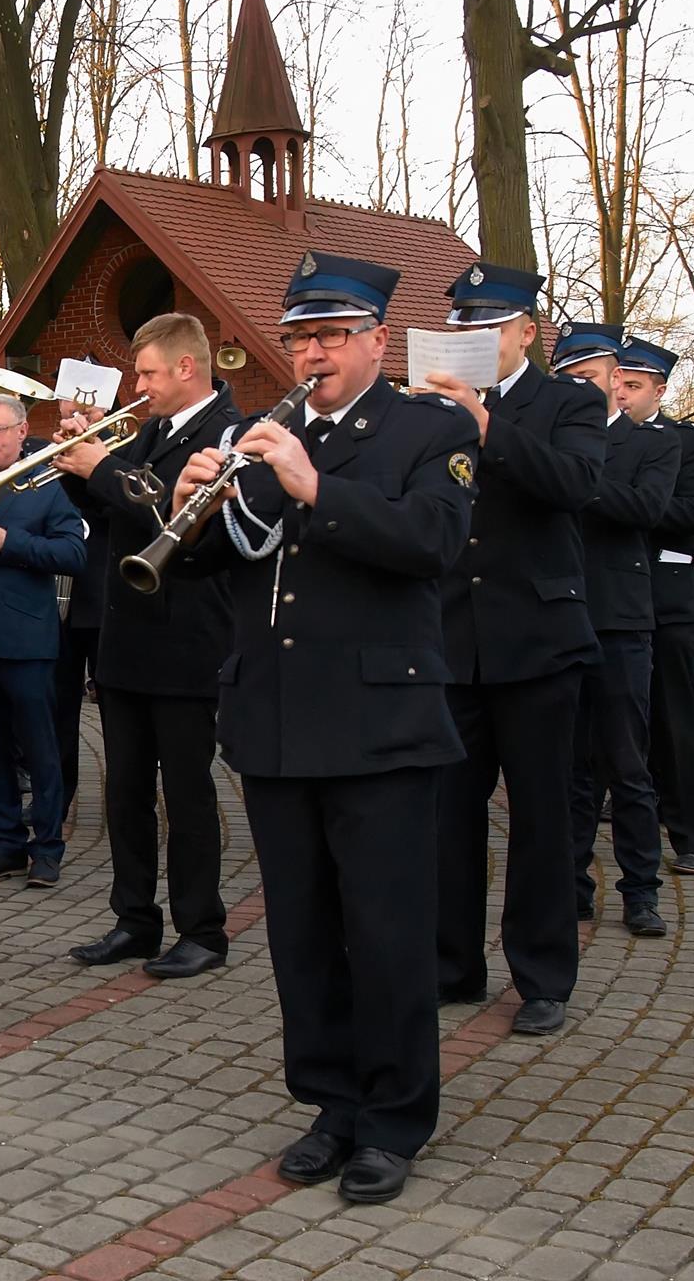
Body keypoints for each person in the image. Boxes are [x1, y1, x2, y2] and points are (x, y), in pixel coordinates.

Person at [172, 251, 477, 1203]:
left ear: (376, 340)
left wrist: (312, 486)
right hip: (274, 720)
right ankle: (331, 1102)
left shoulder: (427, 429)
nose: (312, 353)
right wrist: (188, 509)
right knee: (301, 934)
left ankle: (392, 1119)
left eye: (332, 335)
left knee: (385, 932)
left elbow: (432, 541)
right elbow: (223, 564)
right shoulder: (263, 433)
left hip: (380, 723)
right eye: (300, 337)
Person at [420, 261, 603, 1038]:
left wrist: (486, 425)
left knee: (540, 818)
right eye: (461, 325)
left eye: (489, 325)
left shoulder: (569, 402)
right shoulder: (429, 409)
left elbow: (575, 483)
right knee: (447, 817)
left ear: (525, 332)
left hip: (537, 643)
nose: (474, 337)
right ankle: (452, 964)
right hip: (452, 641)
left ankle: (542, 975)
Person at [53, 313, 238, 980]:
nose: (138, 386)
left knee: (186, 794)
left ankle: (202, 929)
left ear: (187, 367)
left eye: (148, 373)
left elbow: (172, 515)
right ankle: (134, 918)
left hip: (185, 639)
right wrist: (76, 467)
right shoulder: (153, 431)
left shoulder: (226, 433)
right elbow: (111, 512)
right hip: (127, 638)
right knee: (125, 791)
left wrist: (102, 466)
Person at [558, 323, 679, 939]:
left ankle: (641, 891)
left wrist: (572, 475)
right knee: (568, 768)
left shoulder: (651, 442)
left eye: (590, 377)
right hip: (557, 615)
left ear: (615, 380)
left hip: (619, 621)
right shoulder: (547, 441)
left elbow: (646, 508)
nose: (580, 388)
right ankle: (571, 887)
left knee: (626, 764)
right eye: (569, 379)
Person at [0, 393, 87, 887]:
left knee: (40, 749)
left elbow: (74, 553)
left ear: (22, 430)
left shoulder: (46, 483)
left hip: (27, 639)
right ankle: (5, 843)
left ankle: (47, 848)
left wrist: (8, 543)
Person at [616, 337, 694, 875]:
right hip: (608, 594)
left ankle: (690, 835)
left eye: (634, 386)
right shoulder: (591, 438)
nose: (622, 394)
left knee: (674, 716)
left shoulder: (690, 442)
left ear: (659, 391)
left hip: (664, 596)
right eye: (618, 383)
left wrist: (635, 505)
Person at [52, 394, 109, 822]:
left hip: (103, 598)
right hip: (59, 603)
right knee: (58, 710)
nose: (75, 414)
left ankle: (125, 797)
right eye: (67, 407)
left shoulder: (118, 452)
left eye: (85, 409)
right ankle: (57, 798)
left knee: (117, 713)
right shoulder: (52, 453)